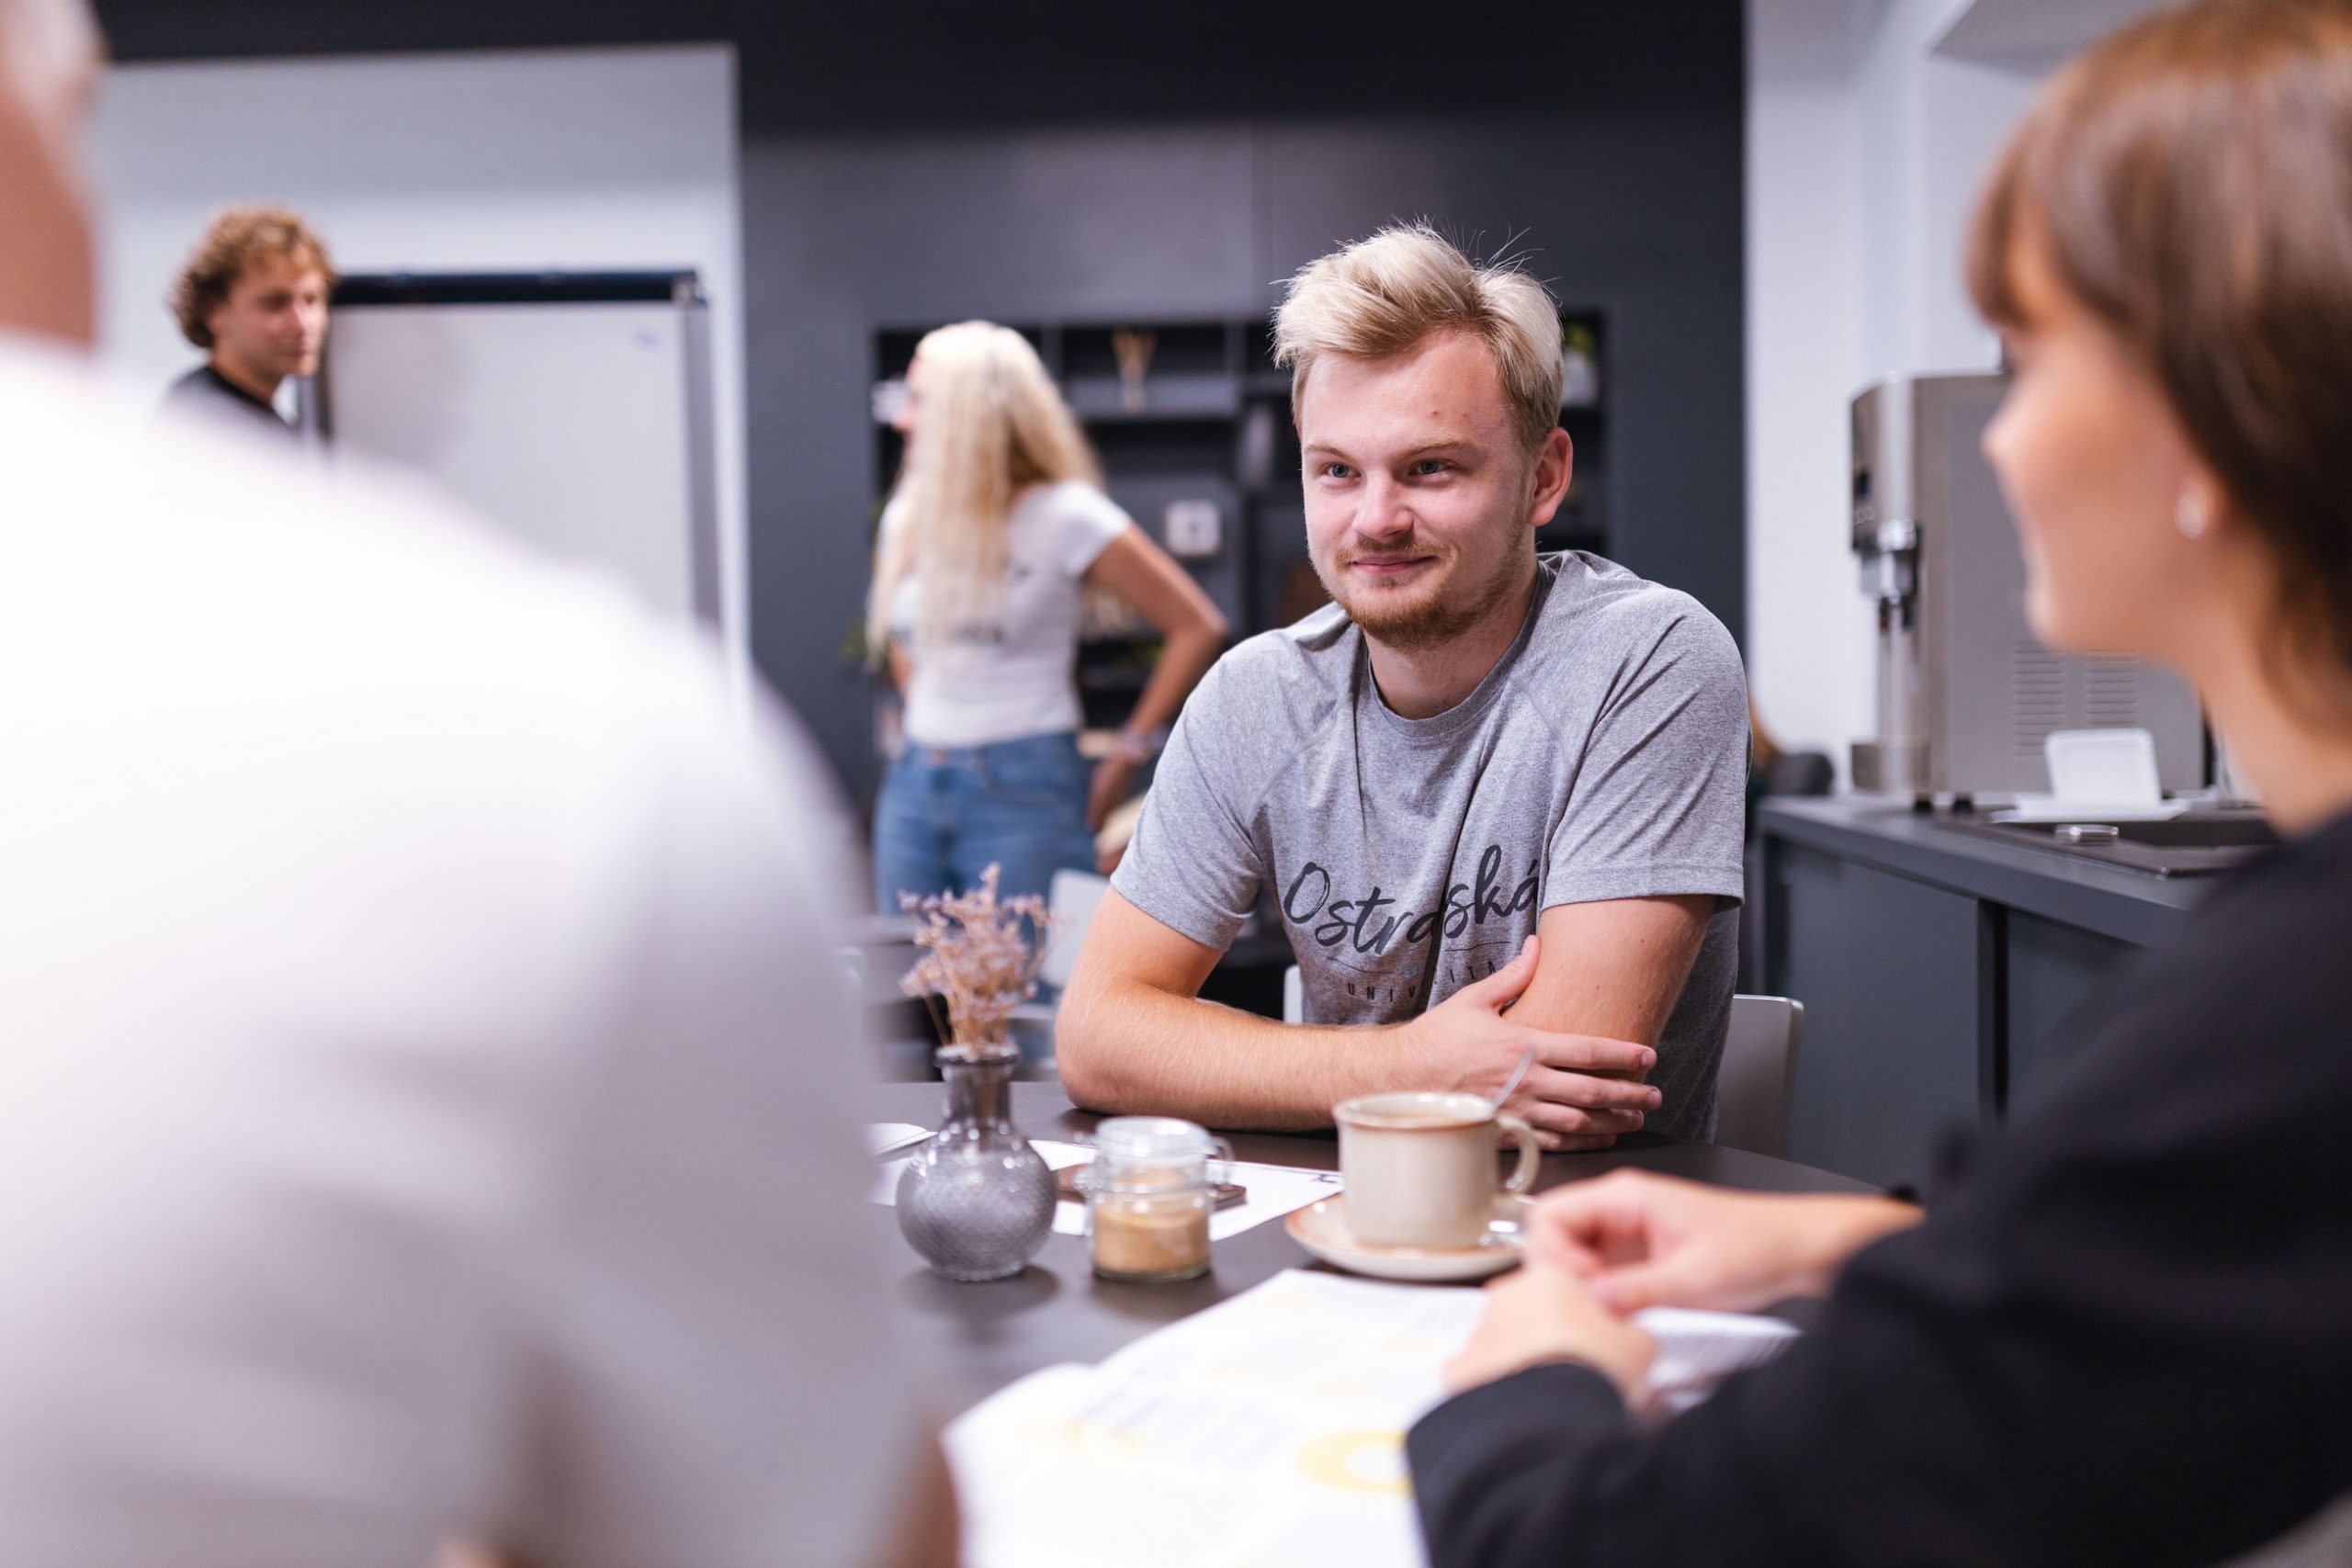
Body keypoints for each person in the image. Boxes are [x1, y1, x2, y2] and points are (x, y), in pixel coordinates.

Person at [0, 3, 950, 1562]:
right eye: (278, 299)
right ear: (56, 86)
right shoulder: (554, 751)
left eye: (318, 298)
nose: (308, 324)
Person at [1410, 2, 2352, 1562]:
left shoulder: (2290, 1013)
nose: (1996, 441)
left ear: (2209, 403)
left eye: (2028, 360)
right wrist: (1861, 1239)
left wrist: (1525, 1387)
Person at [1056, 226, 1749, 1147]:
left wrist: (1300, 1075)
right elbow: (1097, 1038)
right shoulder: (1253, 698)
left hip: (1579, 1249)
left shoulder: (1650, 660)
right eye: (1336, 470)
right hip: (1336, 1244)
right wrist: (1413, 1067)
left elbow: (1561, 1085)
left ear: (1542, 479)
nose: (1376, 519)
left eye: (1430, 467)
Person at [868, 320, 1226, 914]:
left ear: (970, 414)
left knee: (1025, 990)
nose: (902, 419)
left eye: (919, 401)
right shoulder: (907, 516)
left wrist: (1126, 753)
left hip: (1024, 785)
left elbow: (1196, 624)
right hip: (911, 784)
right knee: (909, 996)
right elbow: (905, 640)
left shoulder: (1067, 515)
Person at [160, 202, 333, 440]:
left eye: (312, 301)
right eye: (275, 303)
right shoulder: (208, 427)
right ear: (213, 312)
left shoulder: (251, 419)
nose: (302, 324)